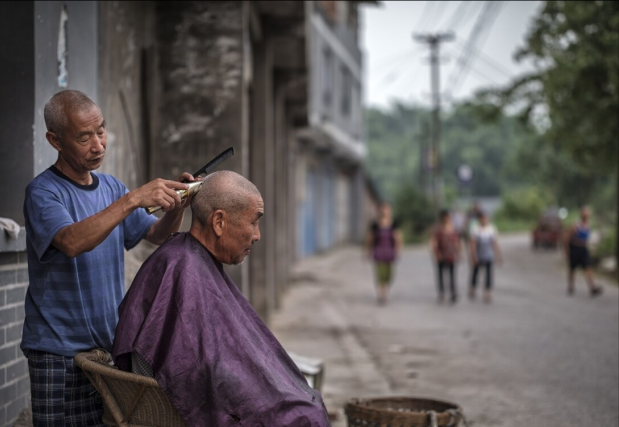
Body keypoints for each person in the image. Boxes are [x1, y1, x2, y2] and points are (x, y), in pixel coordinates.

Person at [21, 90, 198, 426]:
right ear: (55, 140)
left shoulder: (112, 188)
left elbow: (155, 236)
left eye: (100, 131)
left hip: (106, 349)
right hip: (58, 352)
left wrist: (178, 206)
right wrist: (131, 200)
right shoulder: (43, 192)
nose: (98, 146)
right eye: (84, 137)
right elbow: (72, 241)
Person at [112, 171, 331, 427]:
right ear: (219, 222)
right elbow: (193, 367)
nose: (257, 235)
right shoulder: (179, 267)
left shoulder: (189, 260)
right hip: (167, 406)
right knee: (301, 415)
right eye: (254, 222)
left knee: (303, 402)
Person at [365, 202, 402, 305]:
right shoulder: (375, 225)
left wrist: (398, 250)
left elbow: (398, 238)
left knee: (389, 275)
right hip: (378, 251)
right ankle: (382, 294)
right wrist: (368, 251)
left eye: (387, 209)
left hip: (389, 252)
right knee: (380, 274)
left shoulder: (394, 224)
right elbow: (370, 239)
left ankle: (385, 288)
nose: (385, 211)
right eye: (383, 209)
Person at [563, 206, 603, 296]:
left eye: (588, 213)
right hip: (575, 248)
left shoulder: (588, 225)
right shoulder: (575, 226)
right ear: (581, 214)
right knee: (572, 269)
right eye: (585, 213)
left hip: (583, 249)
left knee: (588, 268)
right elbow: (566, 238)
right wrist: (567, 250)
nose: (587, 215)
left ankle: (592, 288)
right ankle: (571, 286)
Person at [469, 211, 503, 304]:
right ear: (480, 219)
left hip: (488, 255)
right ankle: (473, 288)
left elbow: (495, 243)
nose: (484, 220)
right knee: (475, 272)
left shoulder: (491, 229)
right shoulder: (476, 229)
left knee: (488, 274)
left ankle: (487, 292)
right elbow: (473, 244)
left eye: (485, 218)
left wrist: (498, 254)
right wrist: (473, 255)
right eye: (482, 218)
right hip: (478, 255)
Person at [430, 210, 462, 304]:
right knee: (440, 275)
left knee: (452, 274)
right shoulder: (438, 229)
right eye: (446, 217)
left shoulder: (454, 229)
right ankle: (441, 292)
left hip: (451, 254)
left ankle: (453, 292)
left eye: (448, 217)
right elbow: (434, 242)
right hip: (441, 254)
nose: (447, 218)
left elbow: (457, 241)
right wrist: (436, 253)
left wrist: (459, 252)